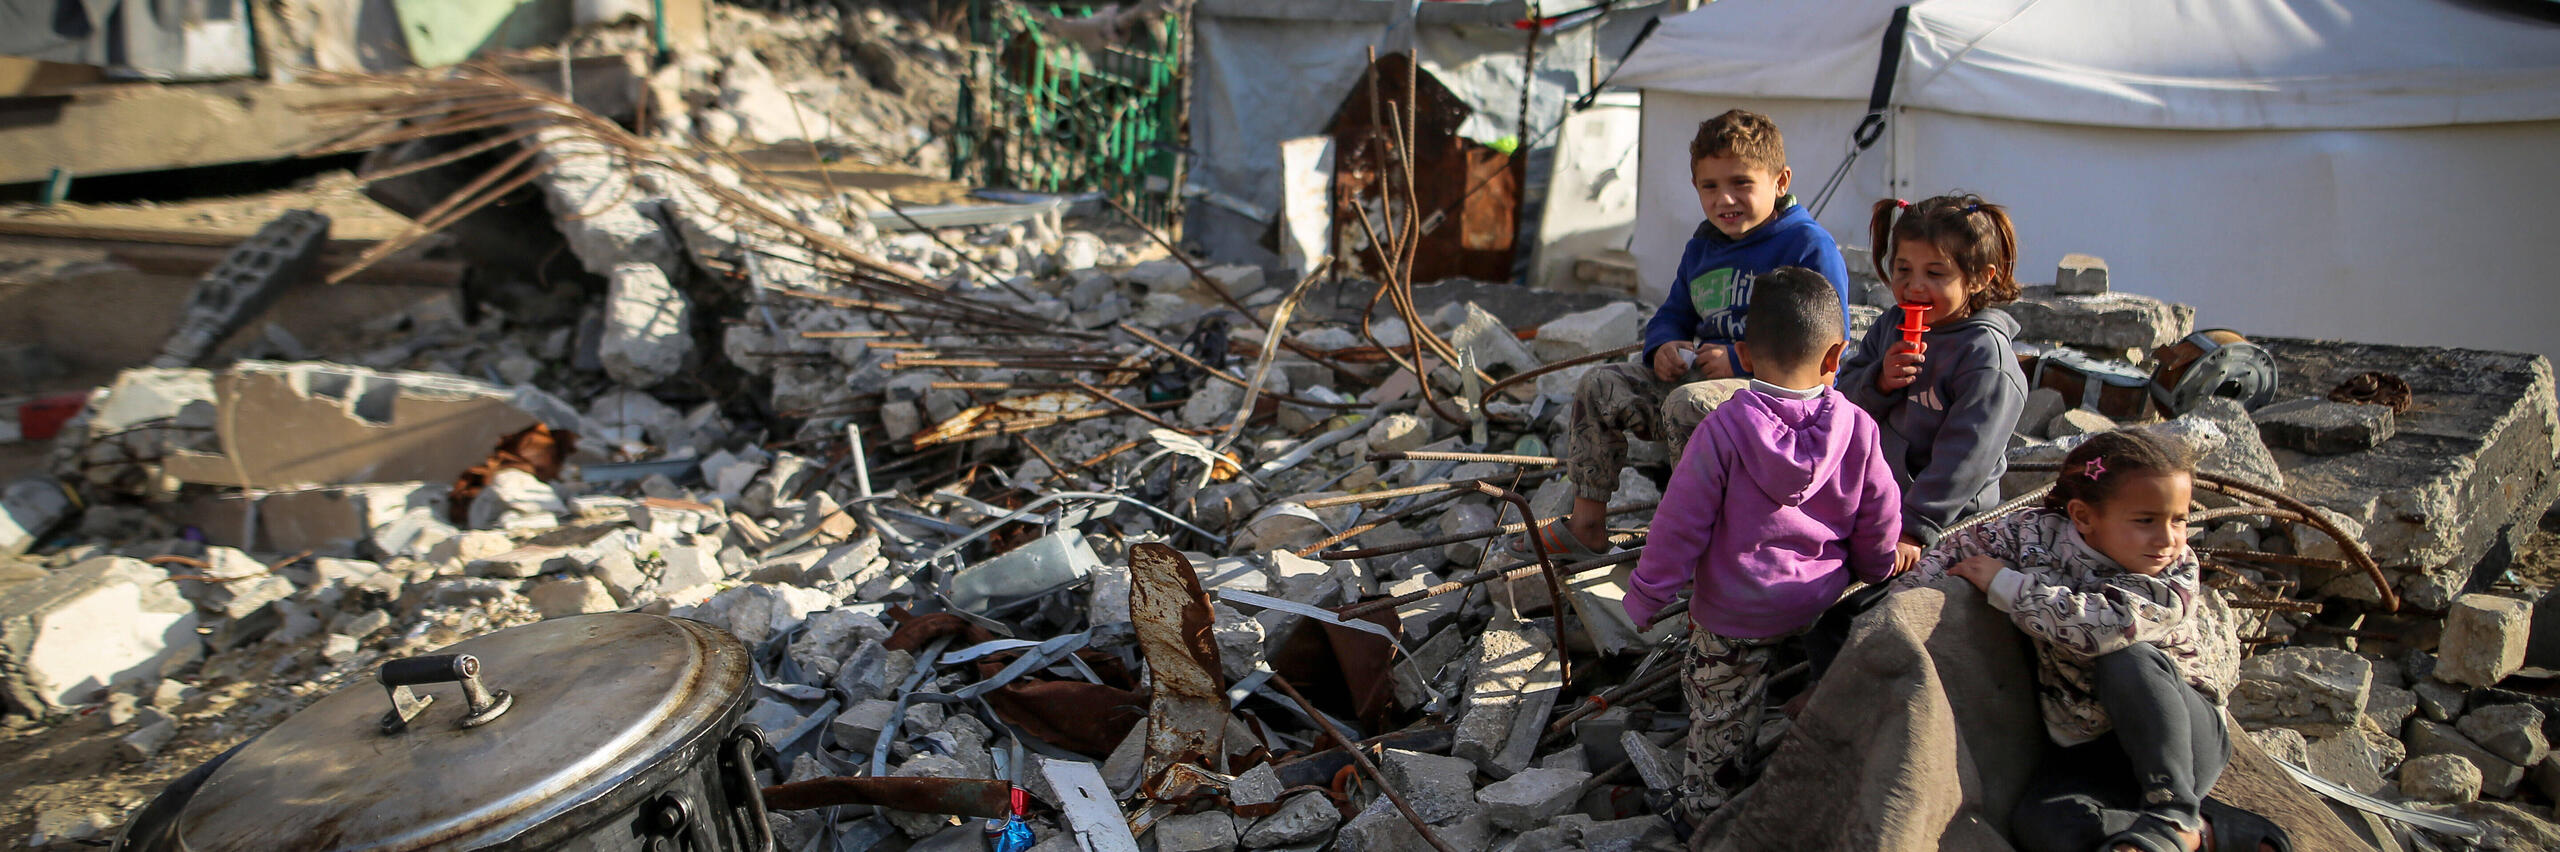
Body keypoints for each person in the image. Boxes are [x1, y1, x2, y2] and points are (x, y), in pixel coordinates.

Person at [1892, 431, 2277, 852]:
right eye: (2145, 520)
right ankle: (2209, 831)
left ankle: (2174, 813)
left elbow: (2105, 627)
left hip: (2178, 741)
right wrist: (1897, 612)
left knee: (2126, 658)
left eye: (2179, 519)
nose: (2167, 539)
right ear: (2084, 516)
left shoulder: (2175, 575)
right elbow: (1952, 555)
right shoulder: (2031, 533)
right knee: (2041, 827)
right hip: (2087, 746)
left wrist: (2008, 586)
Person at [1619, 267, 1900, 823]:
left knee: (1720, 714)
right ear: (1834, 356)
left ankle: (1704, 814)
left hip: (1736, 613)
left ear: (1743, 354)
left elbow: (1681, 523)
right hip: (1819, 602)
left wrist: (1647, 595)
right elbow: (1880, 516)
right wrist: (1876, 569)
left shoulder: (1723, 429)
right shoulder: (1859, 427)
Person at [1533, 109, 1852, 558]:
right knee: (1601, 385)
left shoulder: (1806, 246)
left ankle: (1696, 547)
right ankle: (1586, 525)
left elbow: (1827, 346)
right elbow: (1673, 313)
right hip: (1706, 388)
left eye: (1741, 183)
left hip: (1777, 407)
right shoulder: (1704, 247)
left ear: (1780, 182)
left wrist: (1742, 363)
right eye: (1711, 187)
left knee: (1689, 404)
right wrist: (1662, 346)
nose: (1726, 199)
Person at [1840, 193, 2030, 574]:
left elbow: (1964, 459)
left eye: (1935, 273)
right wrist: (1878, 380)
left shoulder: (1985, 360)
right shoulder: (1891, 325)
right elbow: (1843, 401)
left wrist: (1914, 527)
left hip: (1947, 519)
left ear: (1979, 279)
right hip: (1877, 498)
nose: (1915, 286)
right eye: (1904, 270)